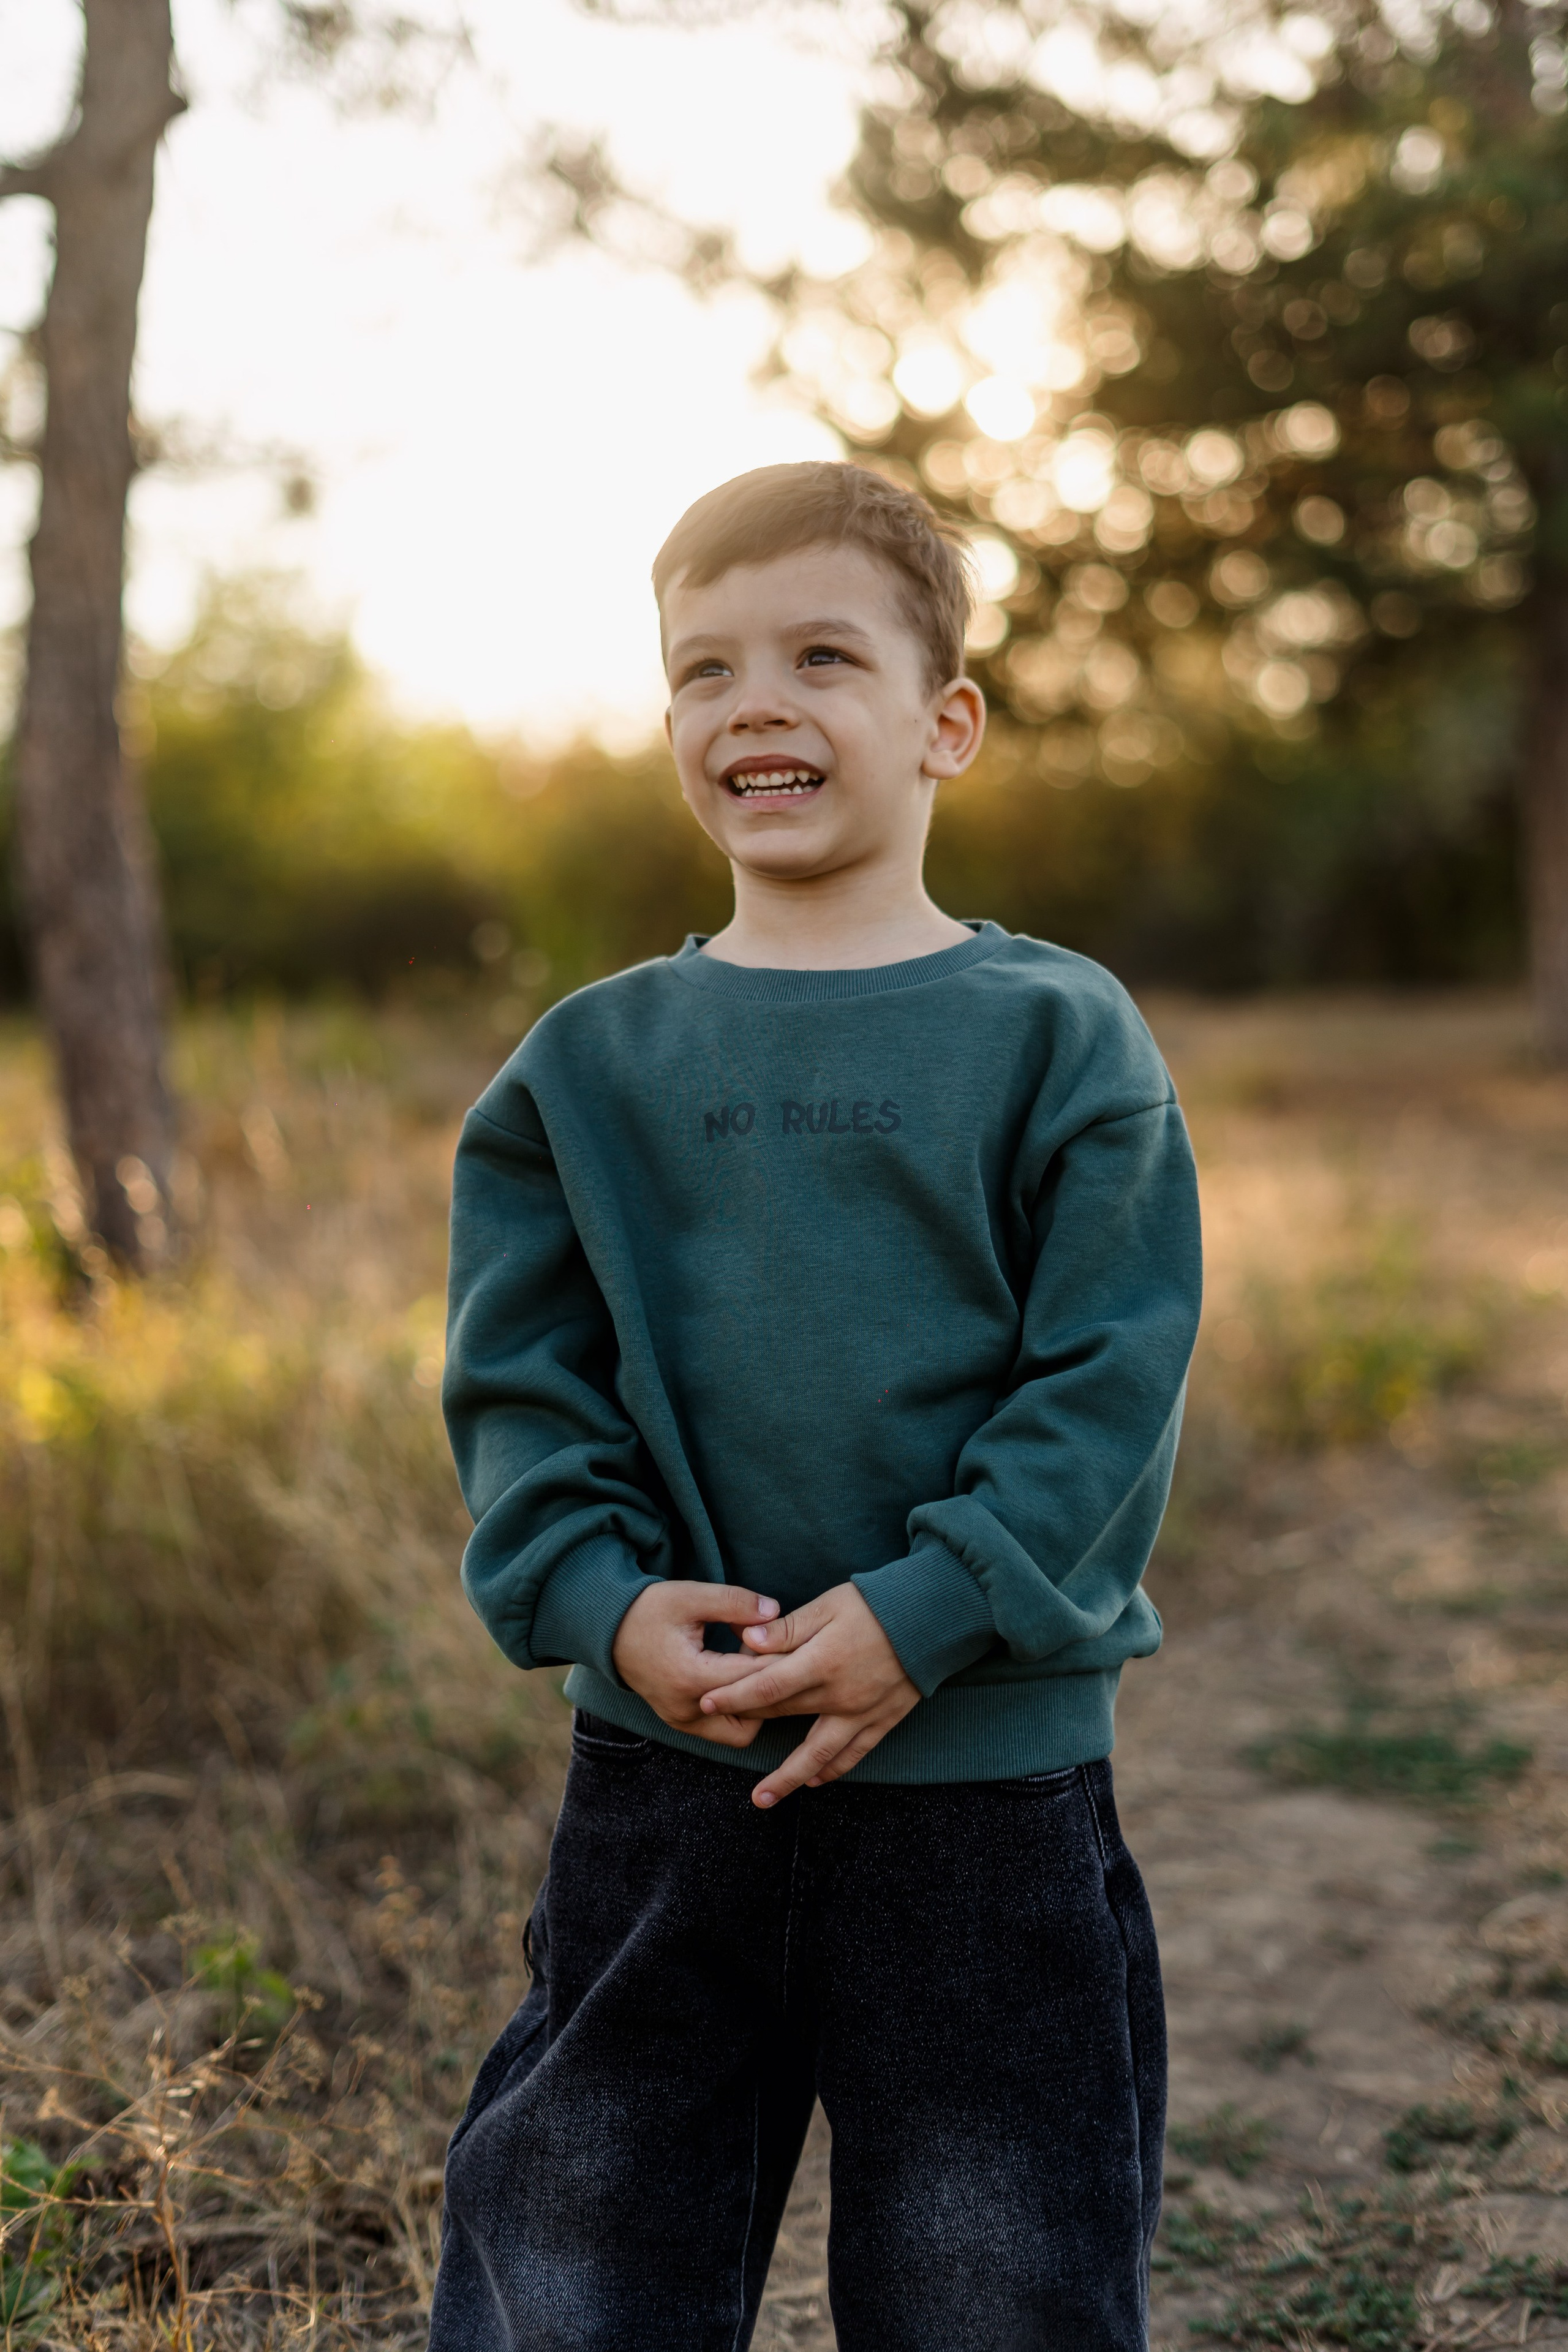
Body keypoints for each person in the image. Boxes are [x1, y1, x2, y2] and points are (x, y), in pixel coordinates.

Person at [426, 461, 1202, 2352]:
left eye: (820, 656)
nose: (751, 701)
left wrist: (928, 1612)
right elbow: (522, 1387)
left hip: (983, 1786)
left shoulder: (1056, 1034)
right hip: (665, 1784)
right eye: (704, 670)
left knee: (993, 2279)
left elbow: (1110, 1376)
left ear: (946, 726)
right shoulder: (585, 1066)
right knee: (575, 2266)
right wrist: (600, 1600)